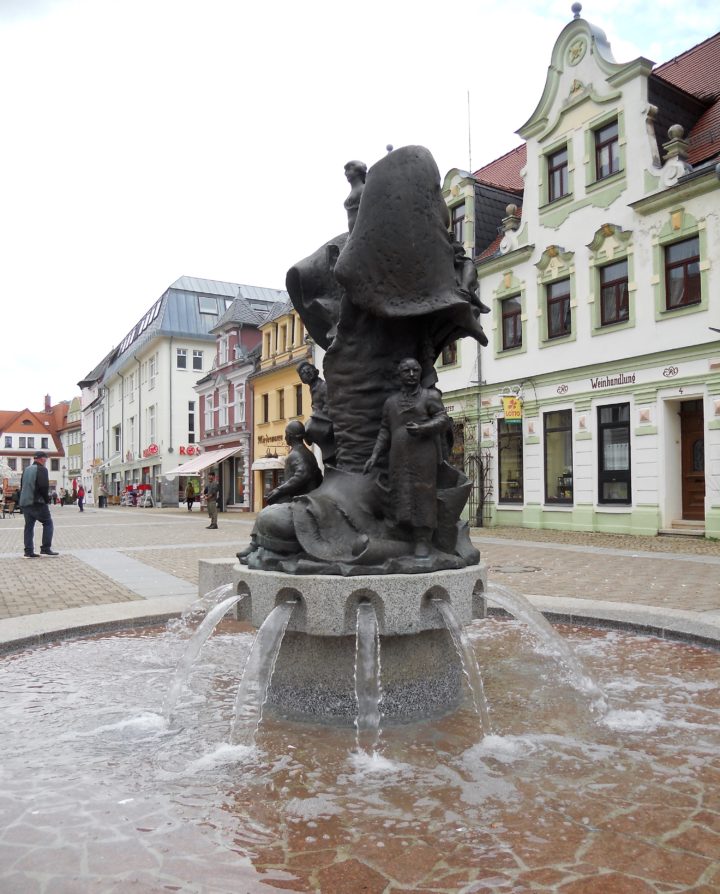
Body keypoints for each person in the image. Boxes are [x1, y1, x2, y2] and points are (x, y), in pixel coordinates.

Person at [364, 358, 450, 558]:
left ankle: (423, 539)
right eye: (406, 371)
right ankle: (404, 534)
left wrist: (423, 428)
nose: (411, 374)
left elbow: (443, 419)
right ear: (399, 375)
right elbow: (385, 431)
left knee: (423, 494)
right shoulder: (391, 402)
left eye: (415, 371)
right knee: (401, 492)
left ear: (420, 373)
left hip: (423, 456)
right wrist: (375, 455)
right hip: (399, 457)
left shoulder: (430, 396)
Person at [266, 421, 323, 505]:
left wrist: (279, 490)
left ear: (290, 436)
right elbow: (319, 476)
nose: (285, 437)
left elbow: (303, 474)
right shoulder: (307, 453)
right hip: (307, 499)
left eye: (286, 434)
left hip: (300, 501)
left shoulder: (297, 454)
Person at [18, 451, 59, 557]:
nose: (46, 461)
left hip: (25, 502)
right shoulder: (42, 469)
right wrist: (46, 500)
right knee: (48, 523)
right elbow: (44, 486)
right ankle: (45, 548)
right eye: (46, 459)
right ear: (42, 459)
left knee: (29, 526)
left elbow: (22, 485)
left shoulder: (26, 470)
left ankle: (28, 551)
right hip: (37, 502)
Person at [296, 360, 335, 464]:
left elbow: (330, 407)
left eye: (308, 370)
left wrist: (315, 419)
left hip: (329, 426)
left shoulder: (323, 386)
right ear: (302, 380)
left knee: (307, 427)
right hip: (322, 426)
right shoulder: (313, 389)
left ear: (316, 371)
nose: (307, 373)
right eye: (303, 373)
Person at [343, 160, 367, 233]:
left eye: (348, 169)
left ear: (358, 170)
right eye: (345, 171)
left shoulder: (365, 188)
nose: (346, 173)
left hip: (363, 229)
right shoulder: (353, 191)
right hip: (352, 232)